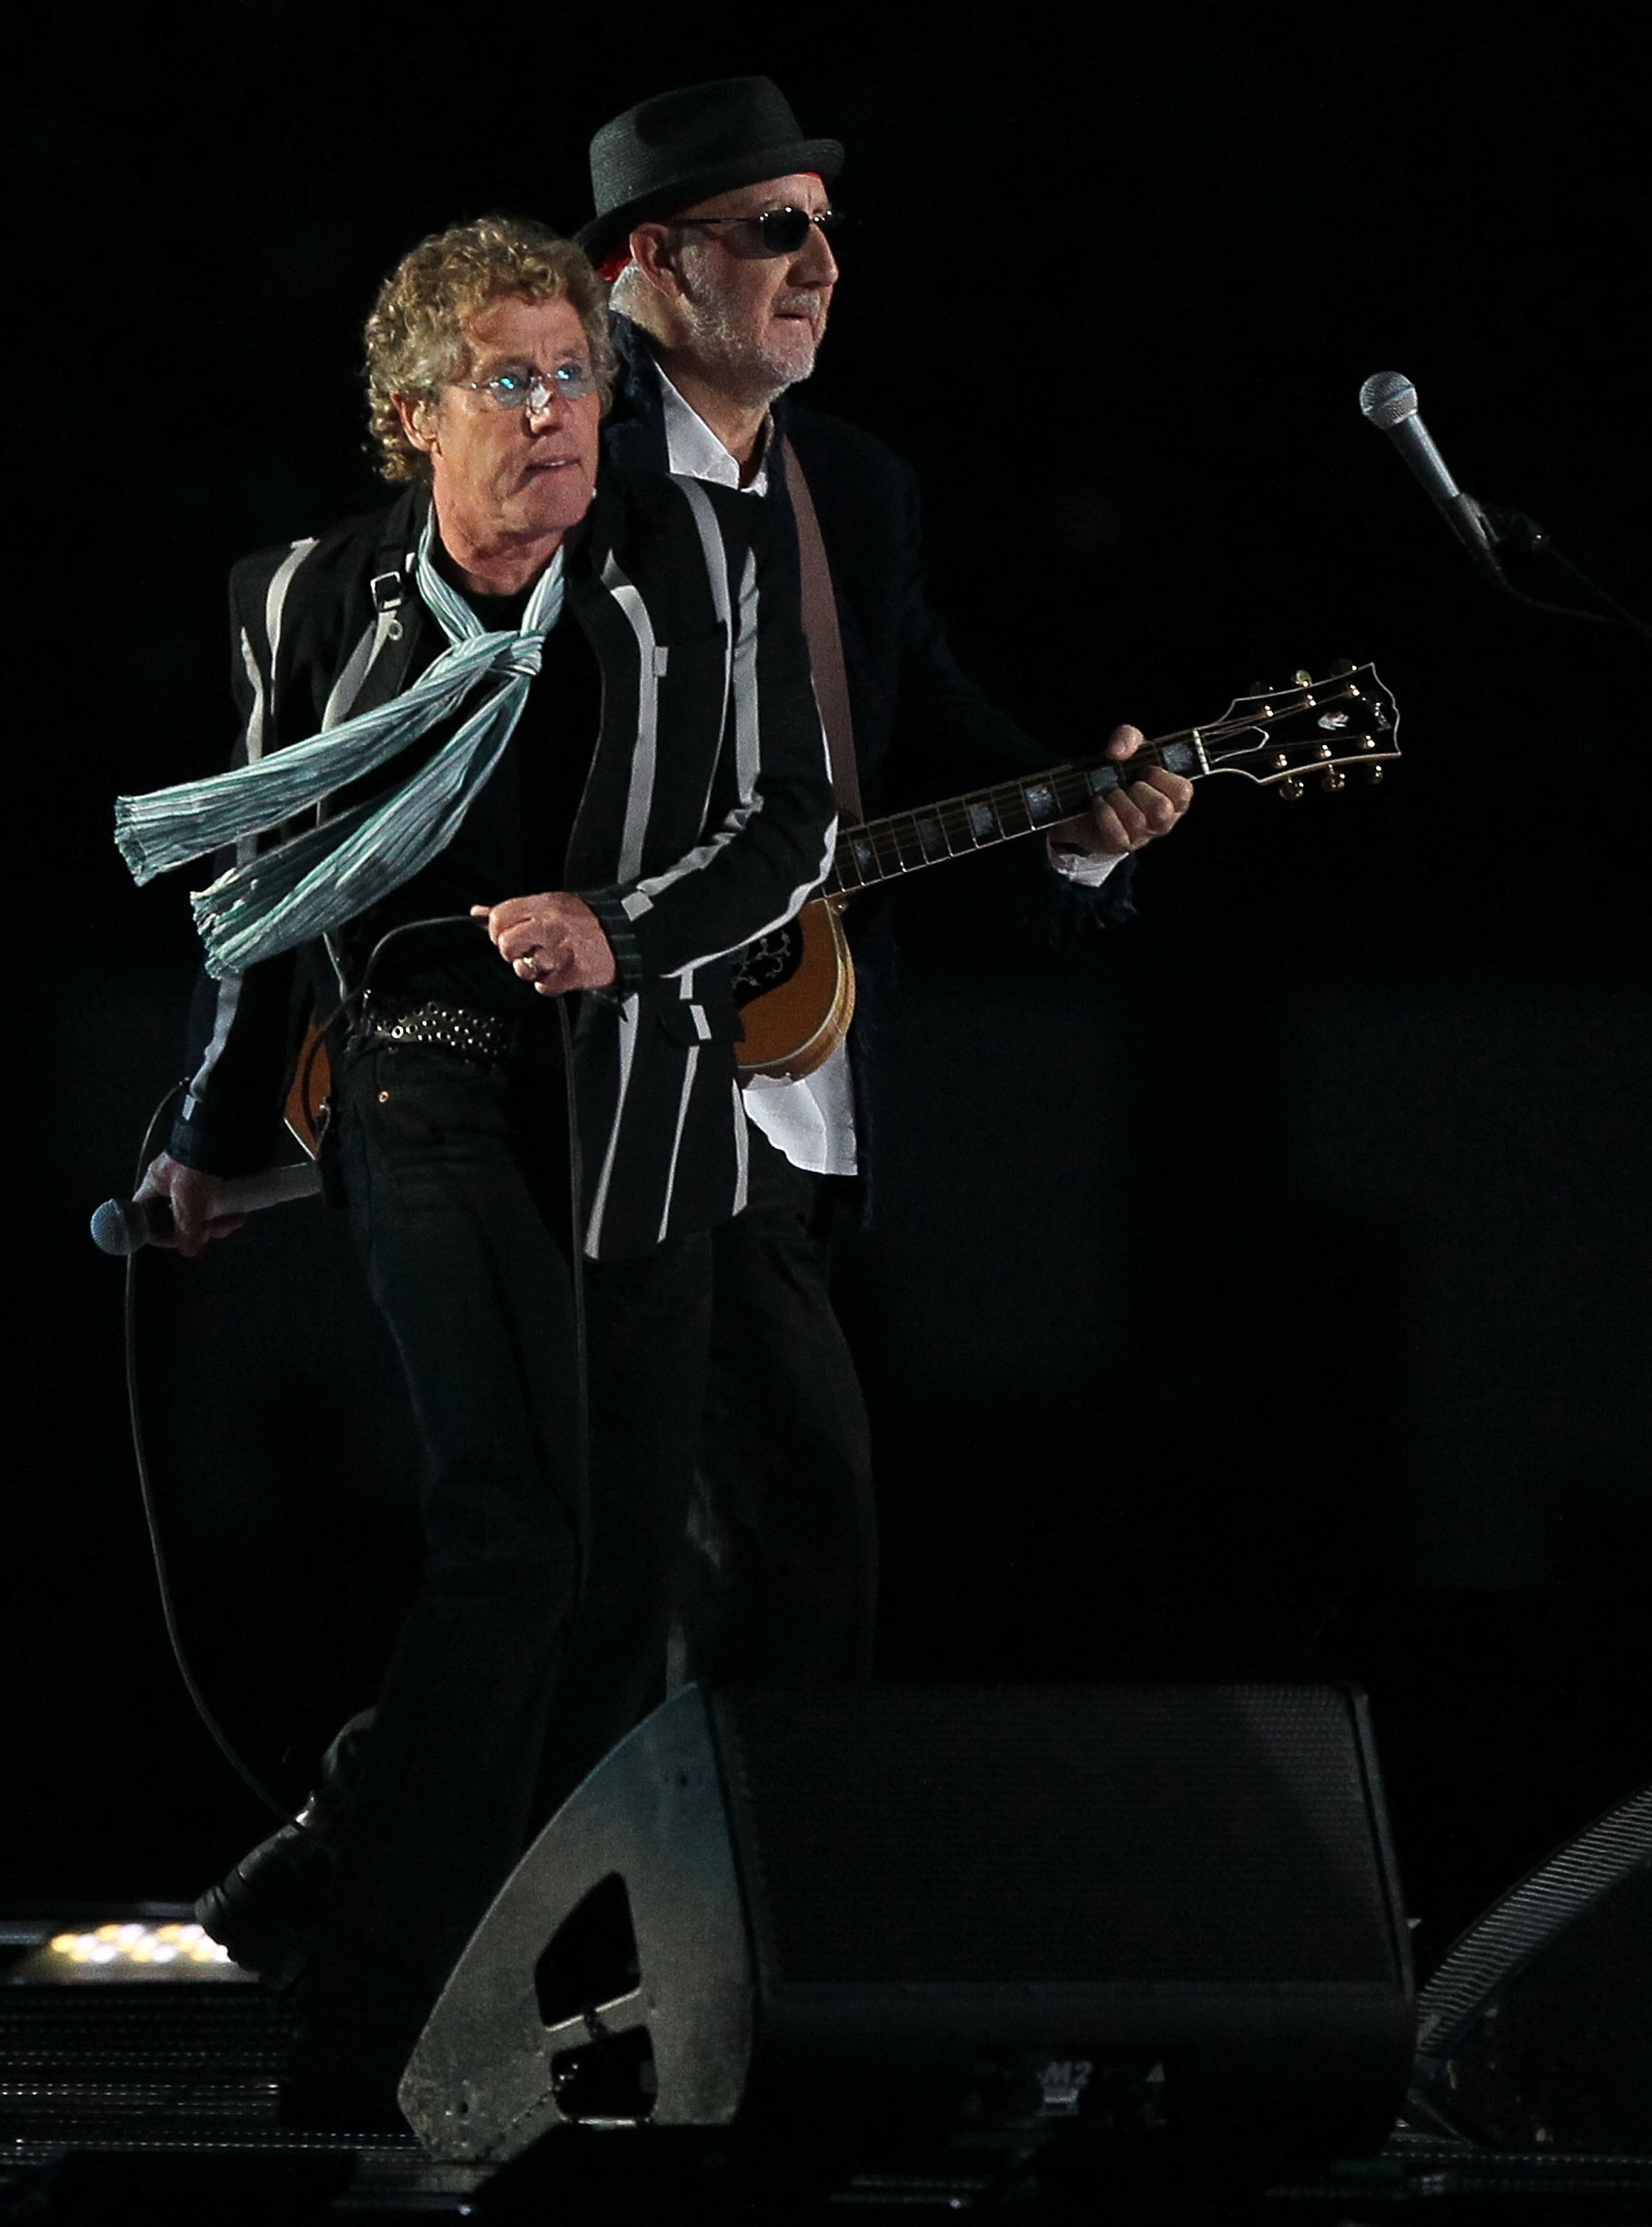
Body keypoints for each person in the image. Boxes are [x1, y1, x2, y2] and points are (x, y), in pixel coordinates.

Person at [119, 213, 833, 2117]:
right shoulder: (305, 598)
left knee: (620, 1584)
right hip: (424, 1071)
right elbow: (265, 891)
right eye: (508, 381)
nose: (553, 414)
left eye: (575, 377)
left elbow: (789, 827)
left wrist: (620, 930)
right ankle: (364, 2038)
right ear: (414, 412)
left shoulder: (700, 560)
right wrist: (213, 1136)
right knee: (516, 1530)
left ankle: (498, 1991)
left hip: (642, 1084)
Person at [582, 77, 1194, 1688]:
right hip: (592, 1074)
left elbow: (921, 729)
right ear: (652, 257)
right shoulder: (553, 456)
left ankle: (435, 1827)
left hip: (781, 1079)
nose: (824, 265)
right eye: (775, 231)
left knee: (705, 1562)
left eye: (828, 231)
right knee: (736, 1546)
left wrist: (1082, 820)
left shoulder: (847, 486)